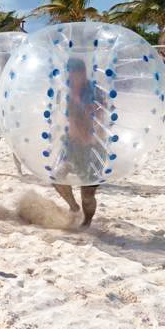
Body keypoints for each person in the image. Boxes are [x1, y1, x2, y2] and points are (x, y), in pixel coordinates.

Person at [52, 58, 102, 227]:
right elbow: (61, 117)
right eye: (68, 73)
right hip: (71, 146)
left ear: (81, 73)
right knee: (56, 177)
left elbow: (100, 120)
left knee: (87, 194)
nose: (70, 77)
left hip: (93, 148)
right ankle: (73, 206)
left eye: (73, 73)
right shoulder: (65, 91)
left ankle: (87, 222)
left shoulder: (95, 91)